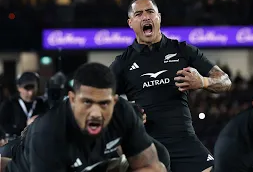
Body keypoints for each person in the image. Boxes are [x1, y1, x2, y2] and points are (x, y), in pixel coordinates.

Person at [110, 0, 231, 172]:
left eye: (150, 12)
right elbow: (102, 99)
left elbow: (225, 81)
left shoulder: (182, 50)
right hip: (147, 146)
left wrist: (203, 81)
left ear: (159, 17)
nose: (146, 17)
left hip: (184, 142)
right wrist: (127, 110)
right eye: (139, 14)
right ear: (130, 23)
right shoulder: (122, 63)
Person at [4, 63, 166, 172]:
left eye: (104, 104)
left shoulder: (123, 113)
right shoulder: (49, 133)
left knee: (161, 156)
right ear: (73, 99)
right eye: (87, 102)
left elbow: (150, 166)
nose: (95, 113)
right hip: (29, 158)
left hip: (93, 163)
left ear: (114, 101)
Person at [0, 72, 48, 138]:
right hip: (15, 142)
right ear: (19, 88)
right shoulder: (9, 104)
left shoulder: (42, 104)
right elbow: (3, 126)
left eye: (33, 87)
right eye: (27, 88)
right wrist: (25, 125)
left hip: (36, 142)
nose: (31, 92)